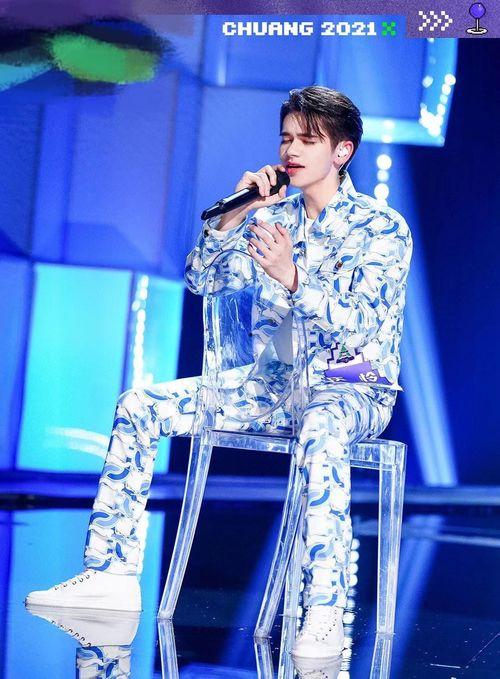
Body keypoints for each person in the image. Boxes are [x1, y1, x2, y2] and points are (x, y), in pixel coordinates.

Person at [25, 85, 412, 660]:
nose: (291, 150)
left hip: (352, 383)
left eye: (308, 140)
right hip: (270, 382)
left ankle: (322, 611)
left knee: (322, 429)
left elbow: (361, 325)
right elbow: (202, 281)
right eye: (286, 138)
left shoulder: (382, 228)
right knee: (139, 406)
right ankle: (110, 576)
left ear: (342, 151)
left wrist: (293, 277)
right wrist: (232, 216)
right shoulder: (270, 216)